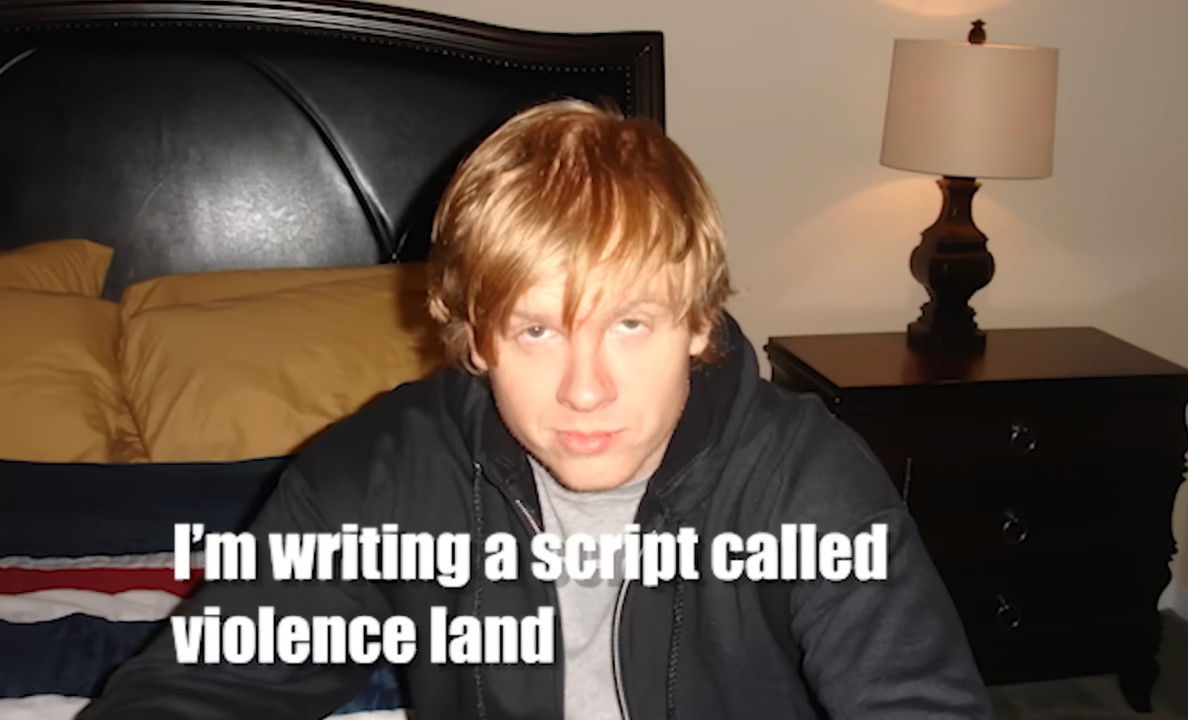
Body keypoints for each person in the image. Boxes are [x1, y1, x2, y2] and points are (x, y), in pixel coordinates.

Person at [82, 99, 992, 719]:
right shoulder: (381, 472)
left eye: (629, 324)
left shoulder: (802, 477)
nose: (584, 389)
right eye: (536, 331)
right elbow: (196, 688)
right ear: (474, 338)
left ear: (696, 323)